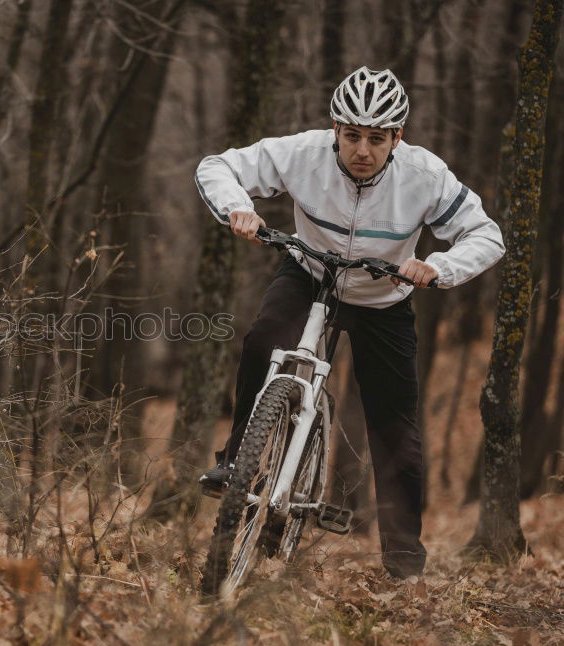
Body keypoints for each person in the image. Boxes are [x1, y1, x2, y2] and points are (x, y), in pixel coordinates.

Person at [193, 67, 505, 578]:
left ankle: (403, 561)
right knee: (262, 344)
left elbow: (487, 236)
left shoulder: (425, 176)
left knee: (395, 429)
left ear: (397, 138)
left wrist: (439, 267)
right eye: (352, 135)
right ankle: (236, 461)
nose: (362, 150)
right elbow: (217, 167)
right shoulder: (303, 153)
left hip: (383, 297)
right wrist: (238, 208)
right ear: (335, 128)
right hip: (310, 273)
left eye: (377, 139)